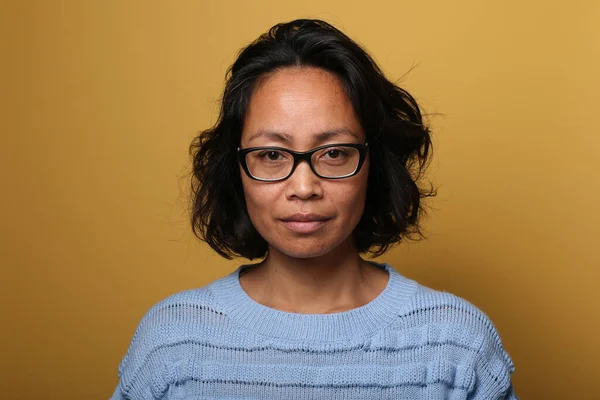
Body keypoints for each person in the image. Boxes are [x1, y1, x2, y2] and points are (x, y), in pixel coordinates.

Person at [110, 19, 517, 400]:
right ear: (236, 170)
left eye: (334, 153)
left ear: (375, 164)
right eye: (271, 154)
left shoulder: (458, 344)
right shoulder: (172, 341)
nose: (304, 187)